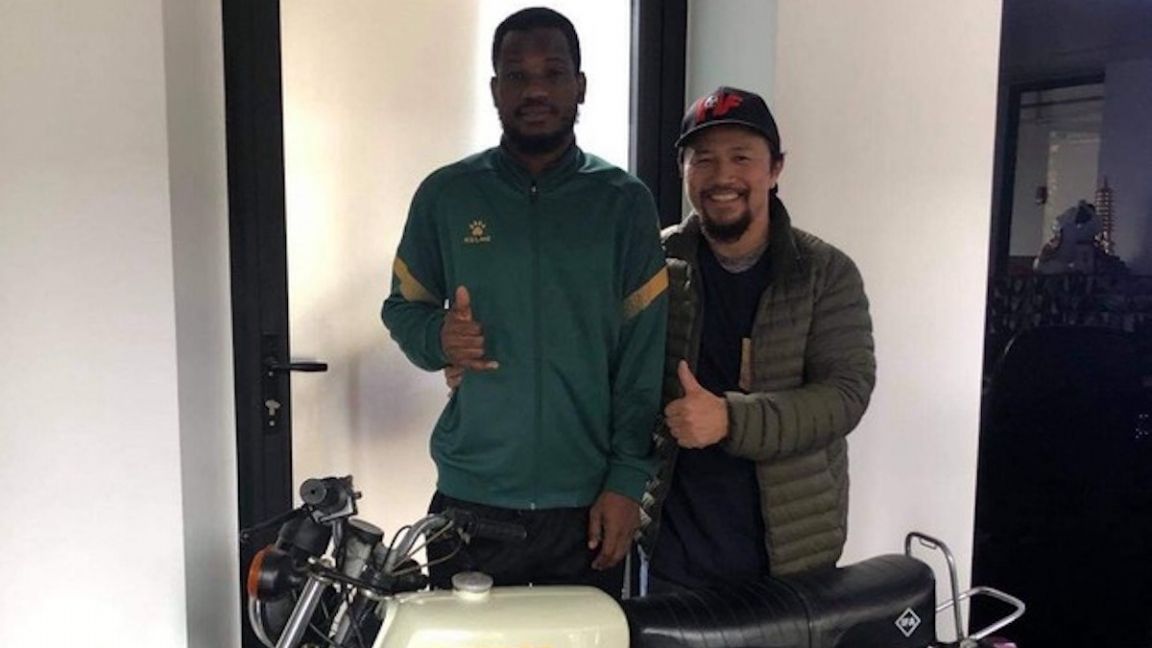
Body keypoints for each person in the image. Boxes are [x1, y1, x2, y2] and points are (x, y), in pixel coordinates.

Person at [381, 7, 667, 597]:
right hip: (471, 503)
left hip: (587, 504)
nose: (535, 89)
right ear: (495, 90)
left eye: (553, 73)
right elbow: (401, 308)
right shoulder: (447, 195)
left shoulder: (623, 203)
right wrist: (438, 337)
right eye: (517, 75)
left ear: (580, 85)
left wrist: (626, 481)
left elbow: (643, 360)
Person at [639, 86, 876, 593]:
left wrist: (730, 419)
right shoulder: (655, 264)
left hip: (793, 555)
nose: (722, 176)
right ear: (683, 171)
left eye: (741, 157)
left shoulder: (825, 273)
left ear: (775, 169)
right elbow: (608, 365)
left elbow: (846, 395)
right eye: (704, 159)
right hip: (673, 555)